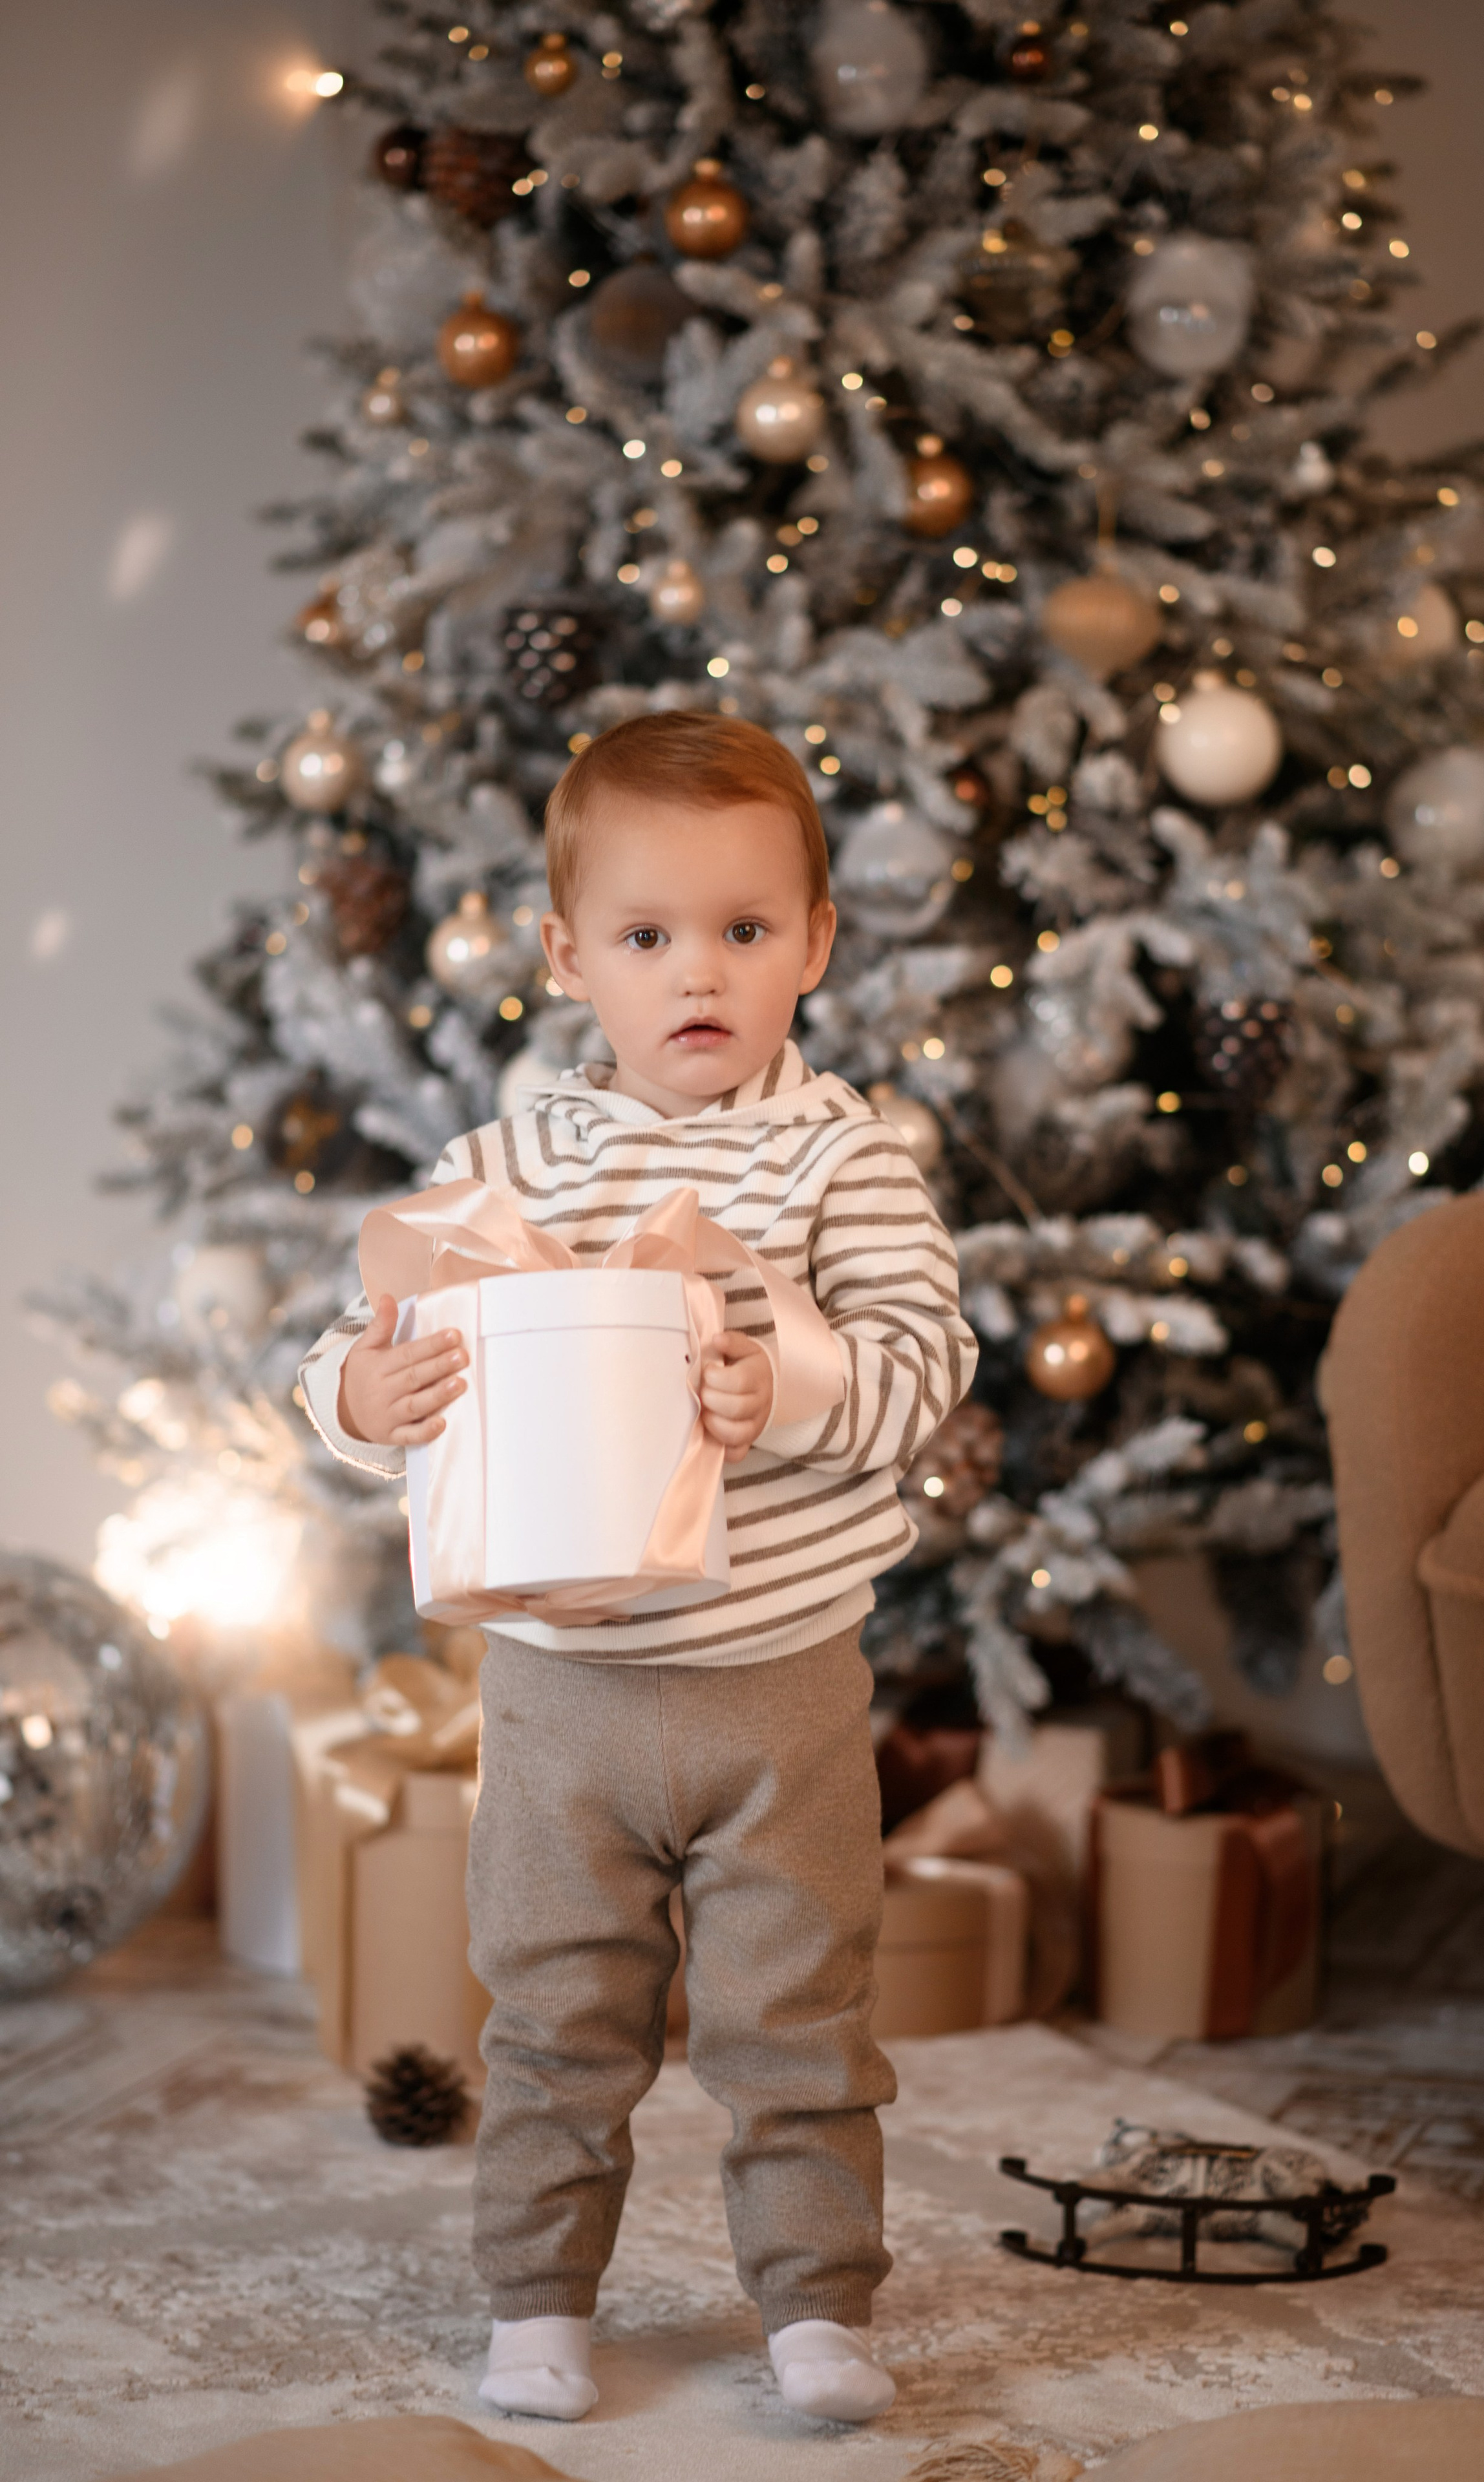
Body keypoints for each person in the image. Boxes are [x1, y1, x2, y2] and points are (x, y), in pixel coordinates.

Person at [299, 711, 977, 2427]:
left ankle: (818, 2309)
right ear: (566, 956)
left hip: (782, 1688)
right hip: (559, 1695)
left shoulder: (844, 1159)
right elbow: (365, 1339)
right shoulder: (509, 1167)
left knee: (798, 2021)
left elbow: (928, 1357)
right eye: (650, 935)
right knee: (554, 2019)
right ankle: (539, 2301)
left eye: (746, 931)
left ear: (817, 943)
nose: (701, 973)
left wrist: (795, 1379)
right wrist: (362, 1398)